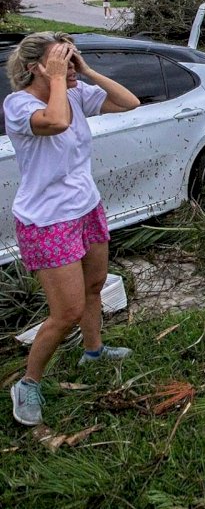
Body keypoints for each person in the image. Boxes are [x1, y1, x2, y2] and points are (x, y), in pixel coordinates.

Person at [4, 32, 140, 426]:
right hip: (47, 221)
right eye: (60, 58)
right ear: (35, 68)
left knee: (95, 286)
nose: (68, 62)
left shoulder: (76, 93)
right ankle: (28, 384)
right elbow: (57, 122)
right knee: (66, 312)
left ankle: (94, 350)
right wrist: (61, 80)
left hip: (86, 208)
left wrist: (86, 70)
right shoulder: (19, 104)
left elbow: (128, 102)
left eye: (70, 56)